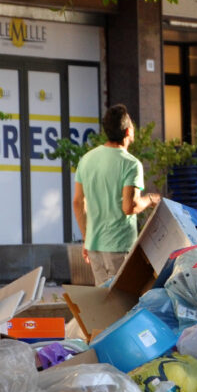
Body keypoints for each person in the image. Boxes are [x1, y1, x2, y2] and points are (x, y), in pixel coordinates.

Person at [72, 104, 161, 285]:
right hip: (119, 245)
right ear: (128, 131)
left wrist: (86, 237)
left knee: (104, 302)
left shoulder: (87, 159)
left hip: (94, 244)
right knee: (123, 302)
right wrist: (151, 199)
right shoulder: (130, 164)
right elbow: (130, 207)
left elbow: (77, 203)